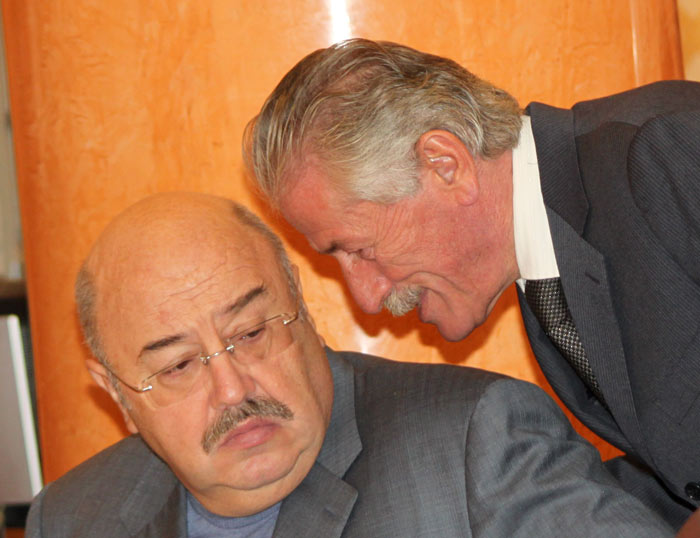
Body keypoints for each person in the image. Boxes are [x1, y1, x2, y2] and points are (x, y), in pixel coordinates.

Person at [244, 38, 700, 530]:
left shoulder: (666, 147)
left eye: (358, 250)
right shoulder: (545, 289)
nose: (367, 297)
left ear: (445, 166)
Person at [26, 192, 673, 537]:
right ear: (117, 394)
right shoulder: (72, 516)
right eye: (177, 367)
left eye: (252, 332)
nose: (232, 389)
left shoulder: (474, 443)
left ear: (301, 306)